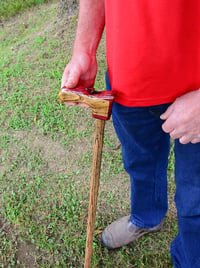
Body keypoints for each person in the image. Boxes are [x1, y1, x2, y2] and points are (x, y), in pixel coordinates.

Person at [61, 1, 200, 267]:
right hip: (130, 80)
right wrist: (84, 50)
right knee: (140, 163)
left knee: (196, 201)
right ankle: (147, 217)